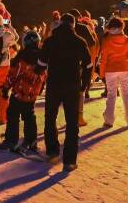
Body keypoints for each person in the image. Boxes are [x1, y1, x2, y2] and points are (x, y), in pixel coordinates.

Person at [38, 14, 93, 172]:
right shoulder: (79, 42)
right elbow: (89, 65)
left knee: (50, 118)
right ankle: (69, 160)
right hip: (72, 85)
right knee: (72, 122)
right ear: (73, 25)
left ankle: (53, 151)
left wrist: (38, 71)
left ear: (60, 24)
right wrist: (84, 84)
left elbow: (41, 63)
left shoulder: (50, 41)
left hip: (54, 84)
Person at [0, 30, 46, 153]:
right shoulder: (42, 56)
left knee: (13, 114)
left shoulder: (22, 56)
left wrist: (5, 88)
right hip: (31, 94)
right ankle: (31, 140)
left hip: (19, 92)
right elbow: (44, 75)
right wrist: (38, 90)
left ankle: (11, 139)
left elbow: (13, 74)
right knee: (29, 115)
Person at [99, 17, 128, 128]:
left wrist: (101, 74)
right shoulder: (127, 40)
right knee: (126, 94)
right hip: (125, 69)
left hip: (110, 70)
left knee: (111, 95)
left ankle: (109, 120)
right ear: (122, 26)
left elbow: (103, 59)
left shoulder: (106, 40)